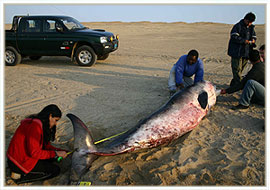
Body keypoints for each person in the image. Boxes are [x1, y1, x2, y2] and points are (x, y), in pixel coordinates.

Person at [7, 104, 68, 184]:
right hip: (18, 162)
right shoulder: (35, 127)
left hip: (17, 156)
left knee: (54, 158)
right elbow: (34, 153)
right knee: (55, 170)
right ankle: (20, 177)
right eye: (56, 120)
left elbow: (45, 146)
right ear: (50, 116)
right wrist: (56, 153)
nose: (56, 124)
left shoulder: (36, 122)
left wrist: (60, 151)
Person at [227, 12, 257, 87]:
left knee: (240, 71)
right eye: (249, 22)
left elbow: (254, 36)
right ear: (245, 19)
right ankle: (238, 86)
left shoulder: (251, 28)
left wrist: (253, 40)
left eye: (251, 22)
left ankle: (234, 83)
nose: (250, 24)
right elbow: (234, 36)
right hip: (237, 52)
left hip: (246, 52)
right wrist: (244, 41)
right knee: (236, 70)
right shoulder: (237, 26)